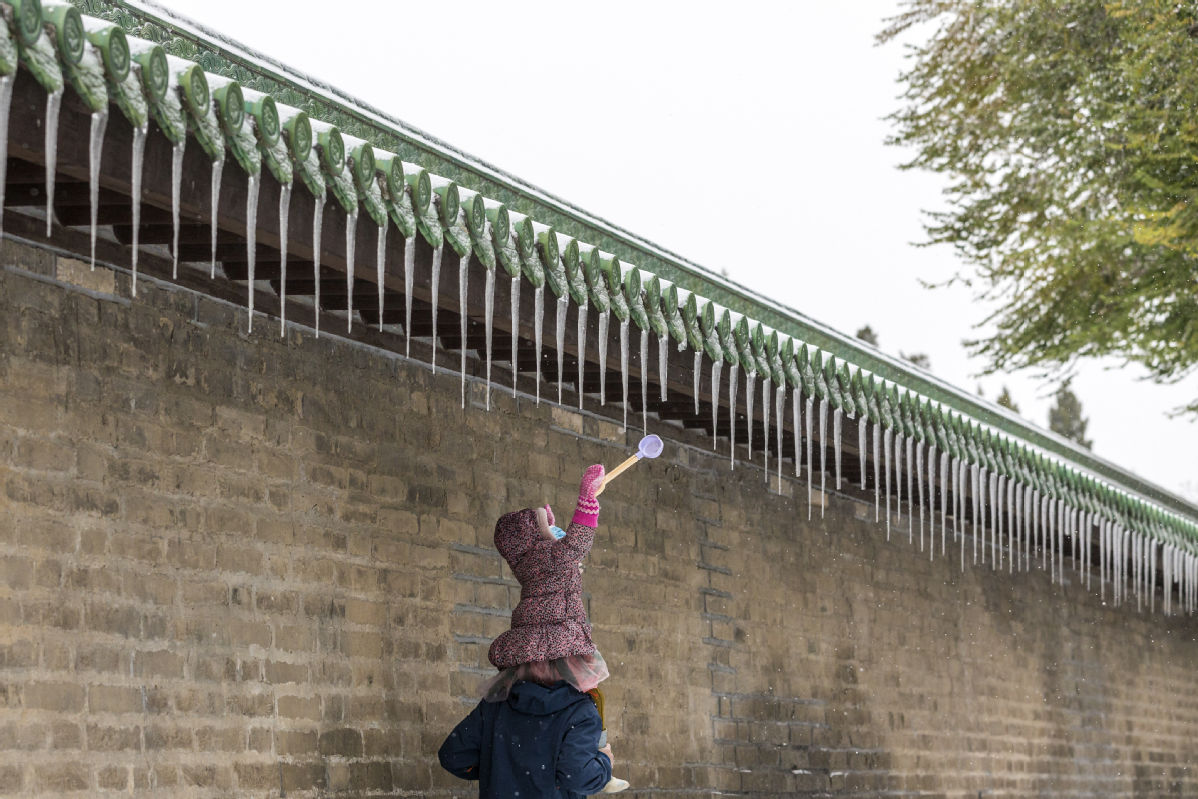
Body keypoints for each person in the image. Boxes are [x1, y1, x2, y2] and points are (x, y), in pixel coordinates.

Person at [438, 464, 630, 796]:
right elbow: (577, 779)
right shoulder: (579, 712)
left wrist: (506, 767)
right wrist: (604, 763)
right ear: (572, 659)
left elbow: (453, 756)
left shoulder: (496, 707)